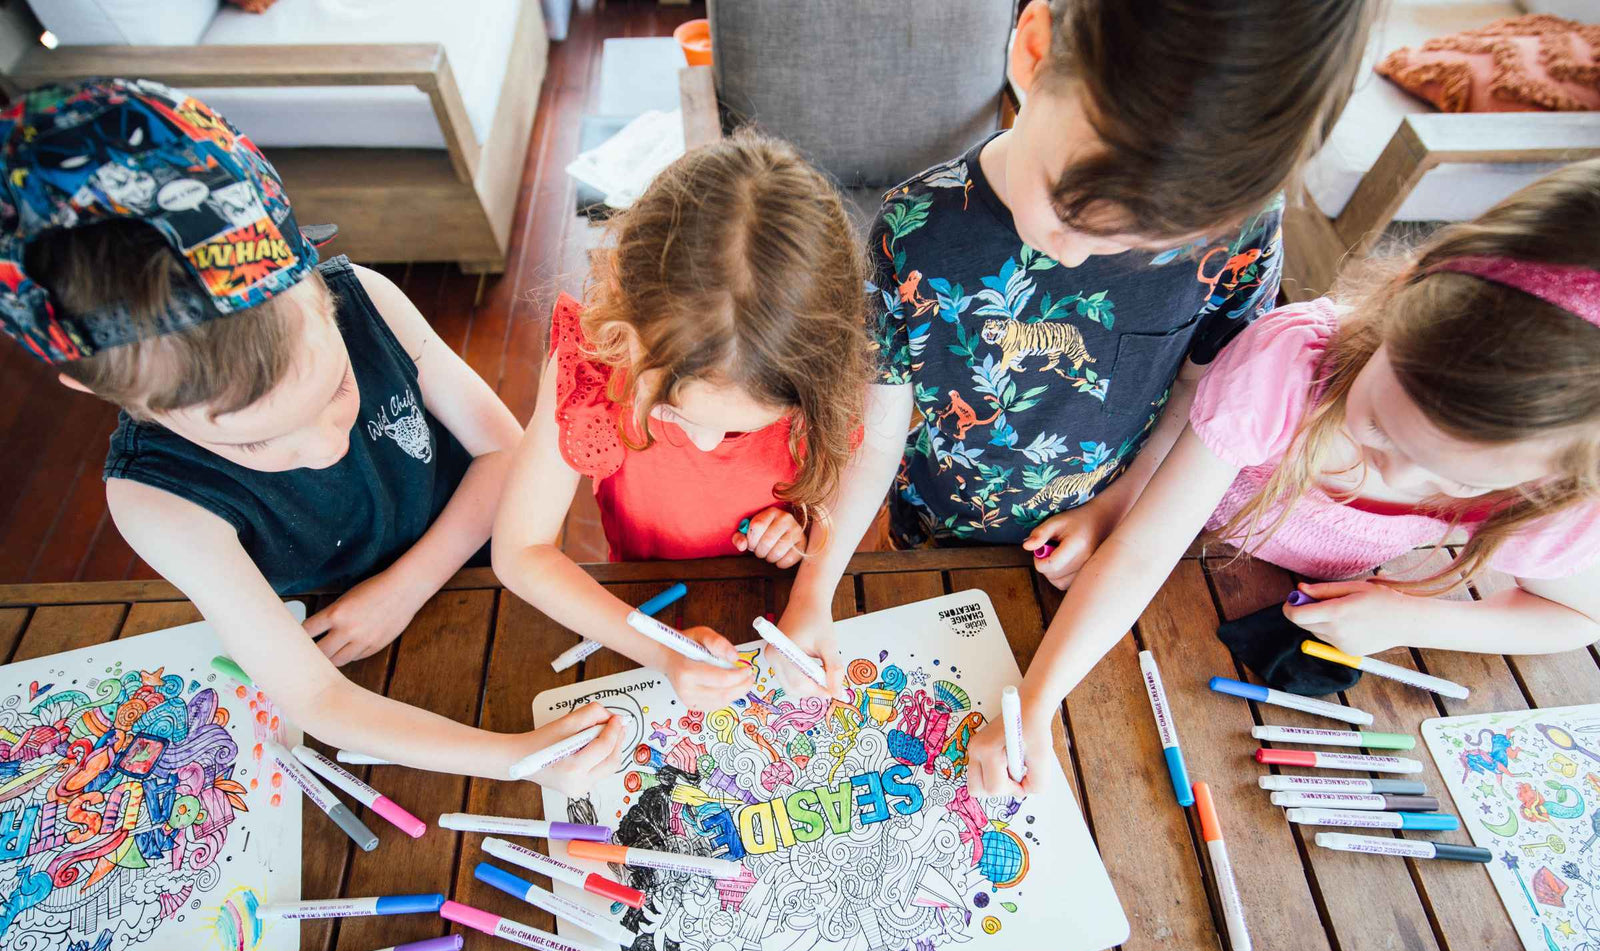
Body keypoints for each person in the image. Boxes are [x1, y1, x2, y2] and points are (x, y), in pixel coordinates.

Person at [6, 79, 623, 785]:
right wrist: (515, 758)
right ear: (100, 390)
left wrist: (404, 586)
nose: (328, 442)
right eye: (256, 443)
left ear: (320, 290)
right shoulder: (154, 501)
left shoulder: (369, 296)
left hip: (480, 558)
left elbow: (504, 452)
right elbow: (315, 695)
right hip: (338, 655)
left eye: (337, 388)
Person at [769, 0, 1375, 700]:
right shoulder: (914, 229)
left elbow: (1201, 398)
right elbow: (873, 437)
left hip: (1122, 539)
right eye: (1067, 208)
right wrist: (816, 586)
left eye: (1134, 245)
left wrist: (1124, 500)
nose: (1078, 251)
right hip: (936, 532)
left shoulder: (1237, 235)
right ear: (1032, 48)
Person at [967, 160, 1600, 796]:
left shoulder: (1551, 493)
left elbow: (1573, 618)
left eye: (1458, 482)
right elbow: (1143, 551)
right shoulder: (1289, 367)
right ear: (1402, 300)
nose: (1395, 471)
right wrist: (1036, 704)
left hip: (1288, 600)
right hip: (1196, 548)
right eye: (1380, 427)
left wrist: (1411, 620)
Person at [492, 131, 874, 710]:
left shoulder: (819, 382)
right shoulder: (596, 364)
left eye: (744, 429)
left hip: (776, 596)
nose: (704, 441)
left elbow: (839, 491)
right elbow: (519, 552)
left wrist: (802, 527)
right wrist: (660, 650)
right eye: (672, 411)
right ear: (625, 327)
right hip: (640, 603)